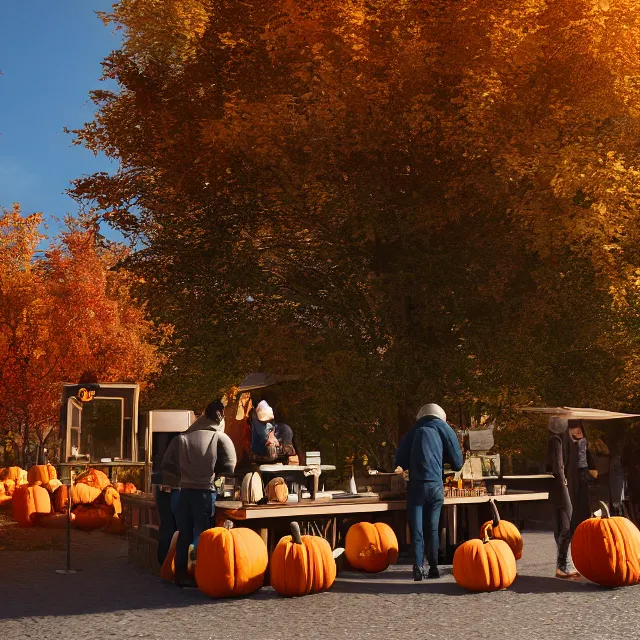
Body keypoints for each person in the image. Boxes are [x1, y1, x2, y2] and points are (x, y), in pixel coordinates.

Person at [162, 400, 236, 586]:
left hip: (184, 491)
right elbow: (230, 466)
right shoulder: (219, 438)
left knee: (184, 534)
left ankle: (180, 574)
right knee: (204, 535)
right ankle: (202, 573)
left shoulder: (183, 438)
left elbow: (167, 465)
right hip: (205, 491)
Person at [395, 403, 463, 581]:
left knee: (416, 528)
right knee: (432, 528)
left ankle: (418, 567)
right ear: (441, 416)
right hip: (435, 486)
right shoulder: (445, 429)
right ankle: (434, 568)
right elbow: (457, 462)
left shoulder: (414, 430)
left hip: (416, 486)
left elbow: (400, 460)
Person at [546, 417, 598, 579]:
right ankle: (562, 566)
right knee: (565, 527)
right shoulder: (557, 441)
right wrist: (564, 486)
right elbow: (558, 467)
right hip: (562, 489)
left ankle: (564, 565)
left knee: (567, 526)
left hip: (566, 488)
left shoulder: (566, 442)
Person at [152, 445, 180, 566]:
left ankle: (164, 562)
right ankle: (166, 562)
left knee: (168, 527)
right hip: (171, 491)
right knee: (170, 528)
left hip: (167, 490)